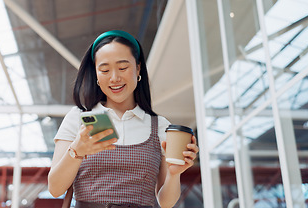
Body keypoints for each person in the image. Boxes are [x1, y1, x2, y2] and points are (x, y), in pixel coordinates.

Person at [48, 30, 199, 208]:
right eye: (104, 70)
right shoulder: (78, 118)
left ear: (138, 68)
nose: (114, 78)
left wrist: (175, 174)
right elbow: (55, 189)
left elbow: (165, 203)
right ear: (96, 74)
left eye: (123, 68)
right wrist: (77, 151)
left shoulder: (159, 126)